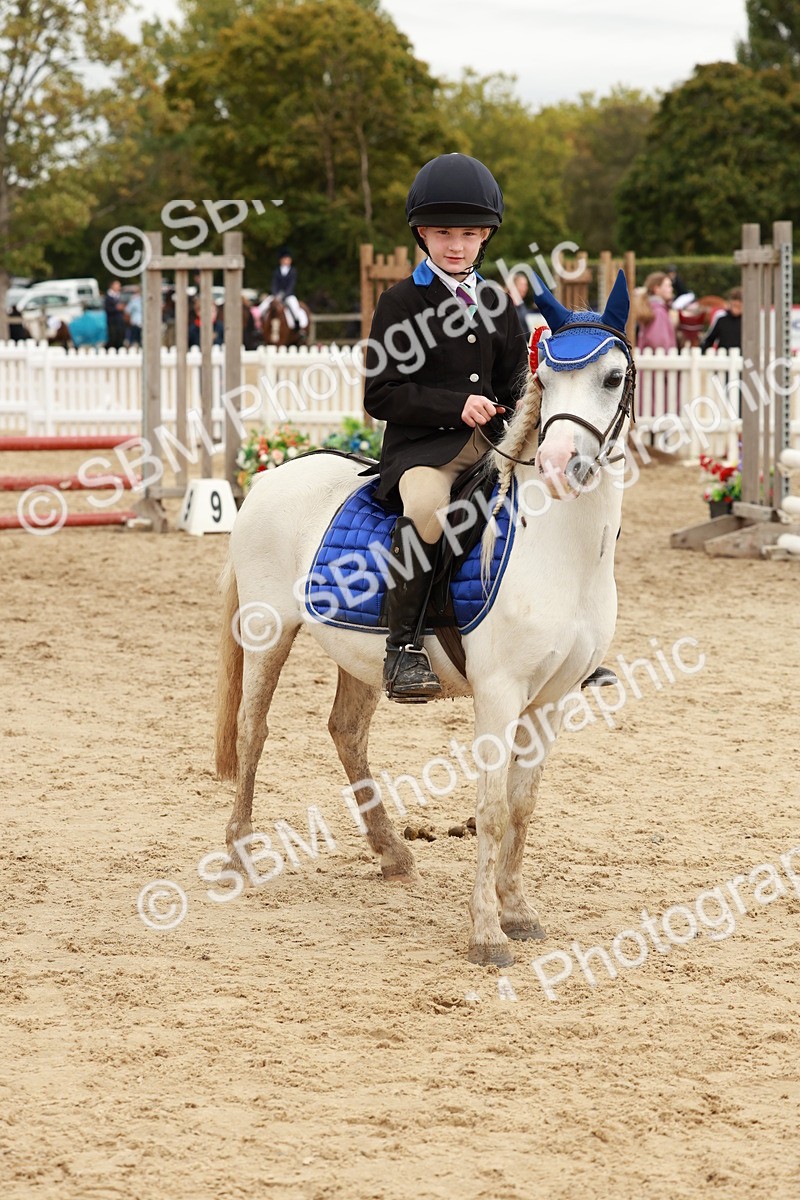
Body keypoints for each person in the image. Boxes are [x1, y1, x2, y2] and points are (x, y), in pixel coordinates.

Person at [362, 154, 527, 701]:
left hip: (494, 447)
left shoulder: (501, 304)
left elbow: (515, 386)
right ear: (422, 235)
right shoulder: (401, 301)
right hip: (424, 451)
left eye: (468, 234)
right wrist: (455, 406)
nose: (455, 245)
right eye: (442, 233)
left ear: (485, 237)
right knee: (428, 511)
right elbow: (380, 393)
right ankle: (402, 647)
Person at [636, 272, 678, 352]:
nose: (671, 289)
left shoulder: (652, 308)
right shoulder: (658, 311)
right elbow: (658, 342)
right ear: (657, 289)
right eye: (668, 286)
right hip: (659, 362)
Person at [270, 248, 308, 333]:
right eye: (285, 259)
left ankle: (299, 328)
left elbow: (291, 285)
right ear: (281, 260)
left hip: (289, 295)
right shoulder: (276, 271)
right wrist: (275, 294)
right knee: (264, 306)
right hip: (277, 295)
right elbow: (274, 284)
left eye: (288, 259)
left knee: (295, 308)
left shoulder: (293, 271)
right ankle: (258, 327)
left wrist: (284, 295)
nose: (287, 261)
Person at [701, 287, 742, 352]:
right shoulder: (721, 320)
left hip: (745, 358)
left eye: (739, 306)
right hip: (724, 358)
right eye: (734, 305)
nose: (736, 309)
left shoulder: (748, 322)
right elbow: (710, 339)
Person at [104, 280, 126, 350]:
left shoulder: (119, 296)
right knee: (113, 337)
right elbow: (107, 309)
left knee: (120, 336)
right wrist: (117, 308)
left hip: (119, 320)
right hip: (112, 321)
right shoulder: (108, 297)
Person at [509, 271, 532, 336]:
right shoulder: (506, 304)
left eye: (526, 285)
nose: (525, 288)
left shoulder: (521, 304)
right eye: (522, 285)